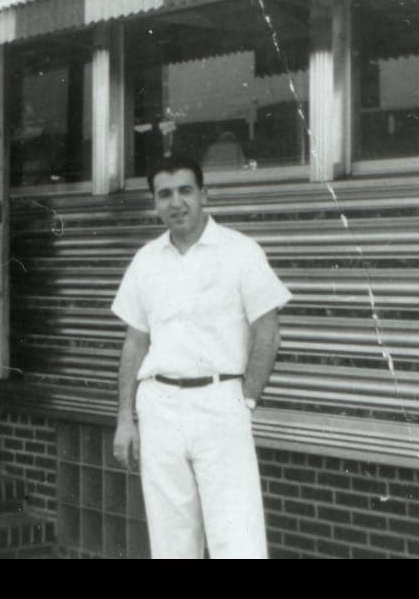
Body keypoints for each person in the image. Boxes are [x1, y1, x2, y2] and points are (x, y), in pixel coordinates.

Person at [111, 155, 292, 558]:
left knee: (236, 534)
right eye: (165, 194)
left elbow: (268, 332)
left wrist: (246, 399)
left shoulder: (240, 251)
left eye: (185, 191)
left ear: (204, 194)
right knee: (171, 536)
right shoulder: (145, 261)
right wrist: (125, 417)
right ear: (155, 204)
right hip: (159, 406)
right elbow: (135, 343)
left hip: (220, 402)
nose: (176, 202)